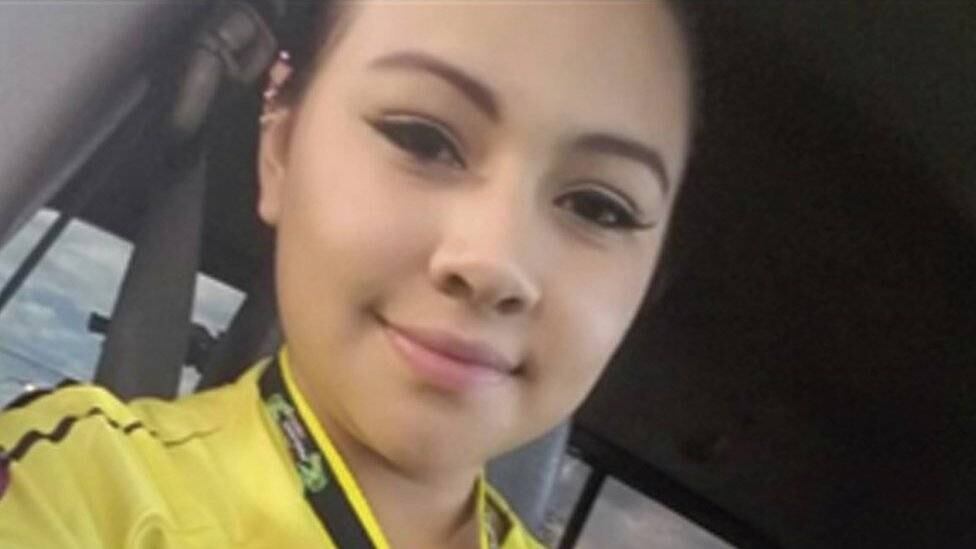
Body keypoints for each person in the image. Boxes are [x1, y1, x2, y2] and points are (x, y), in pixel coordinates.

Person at [0, 1, 695, 547]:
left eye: (599, 208)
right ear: (280, 150)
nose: (493, 263)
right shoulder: (76, 488)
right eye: (423, 138)